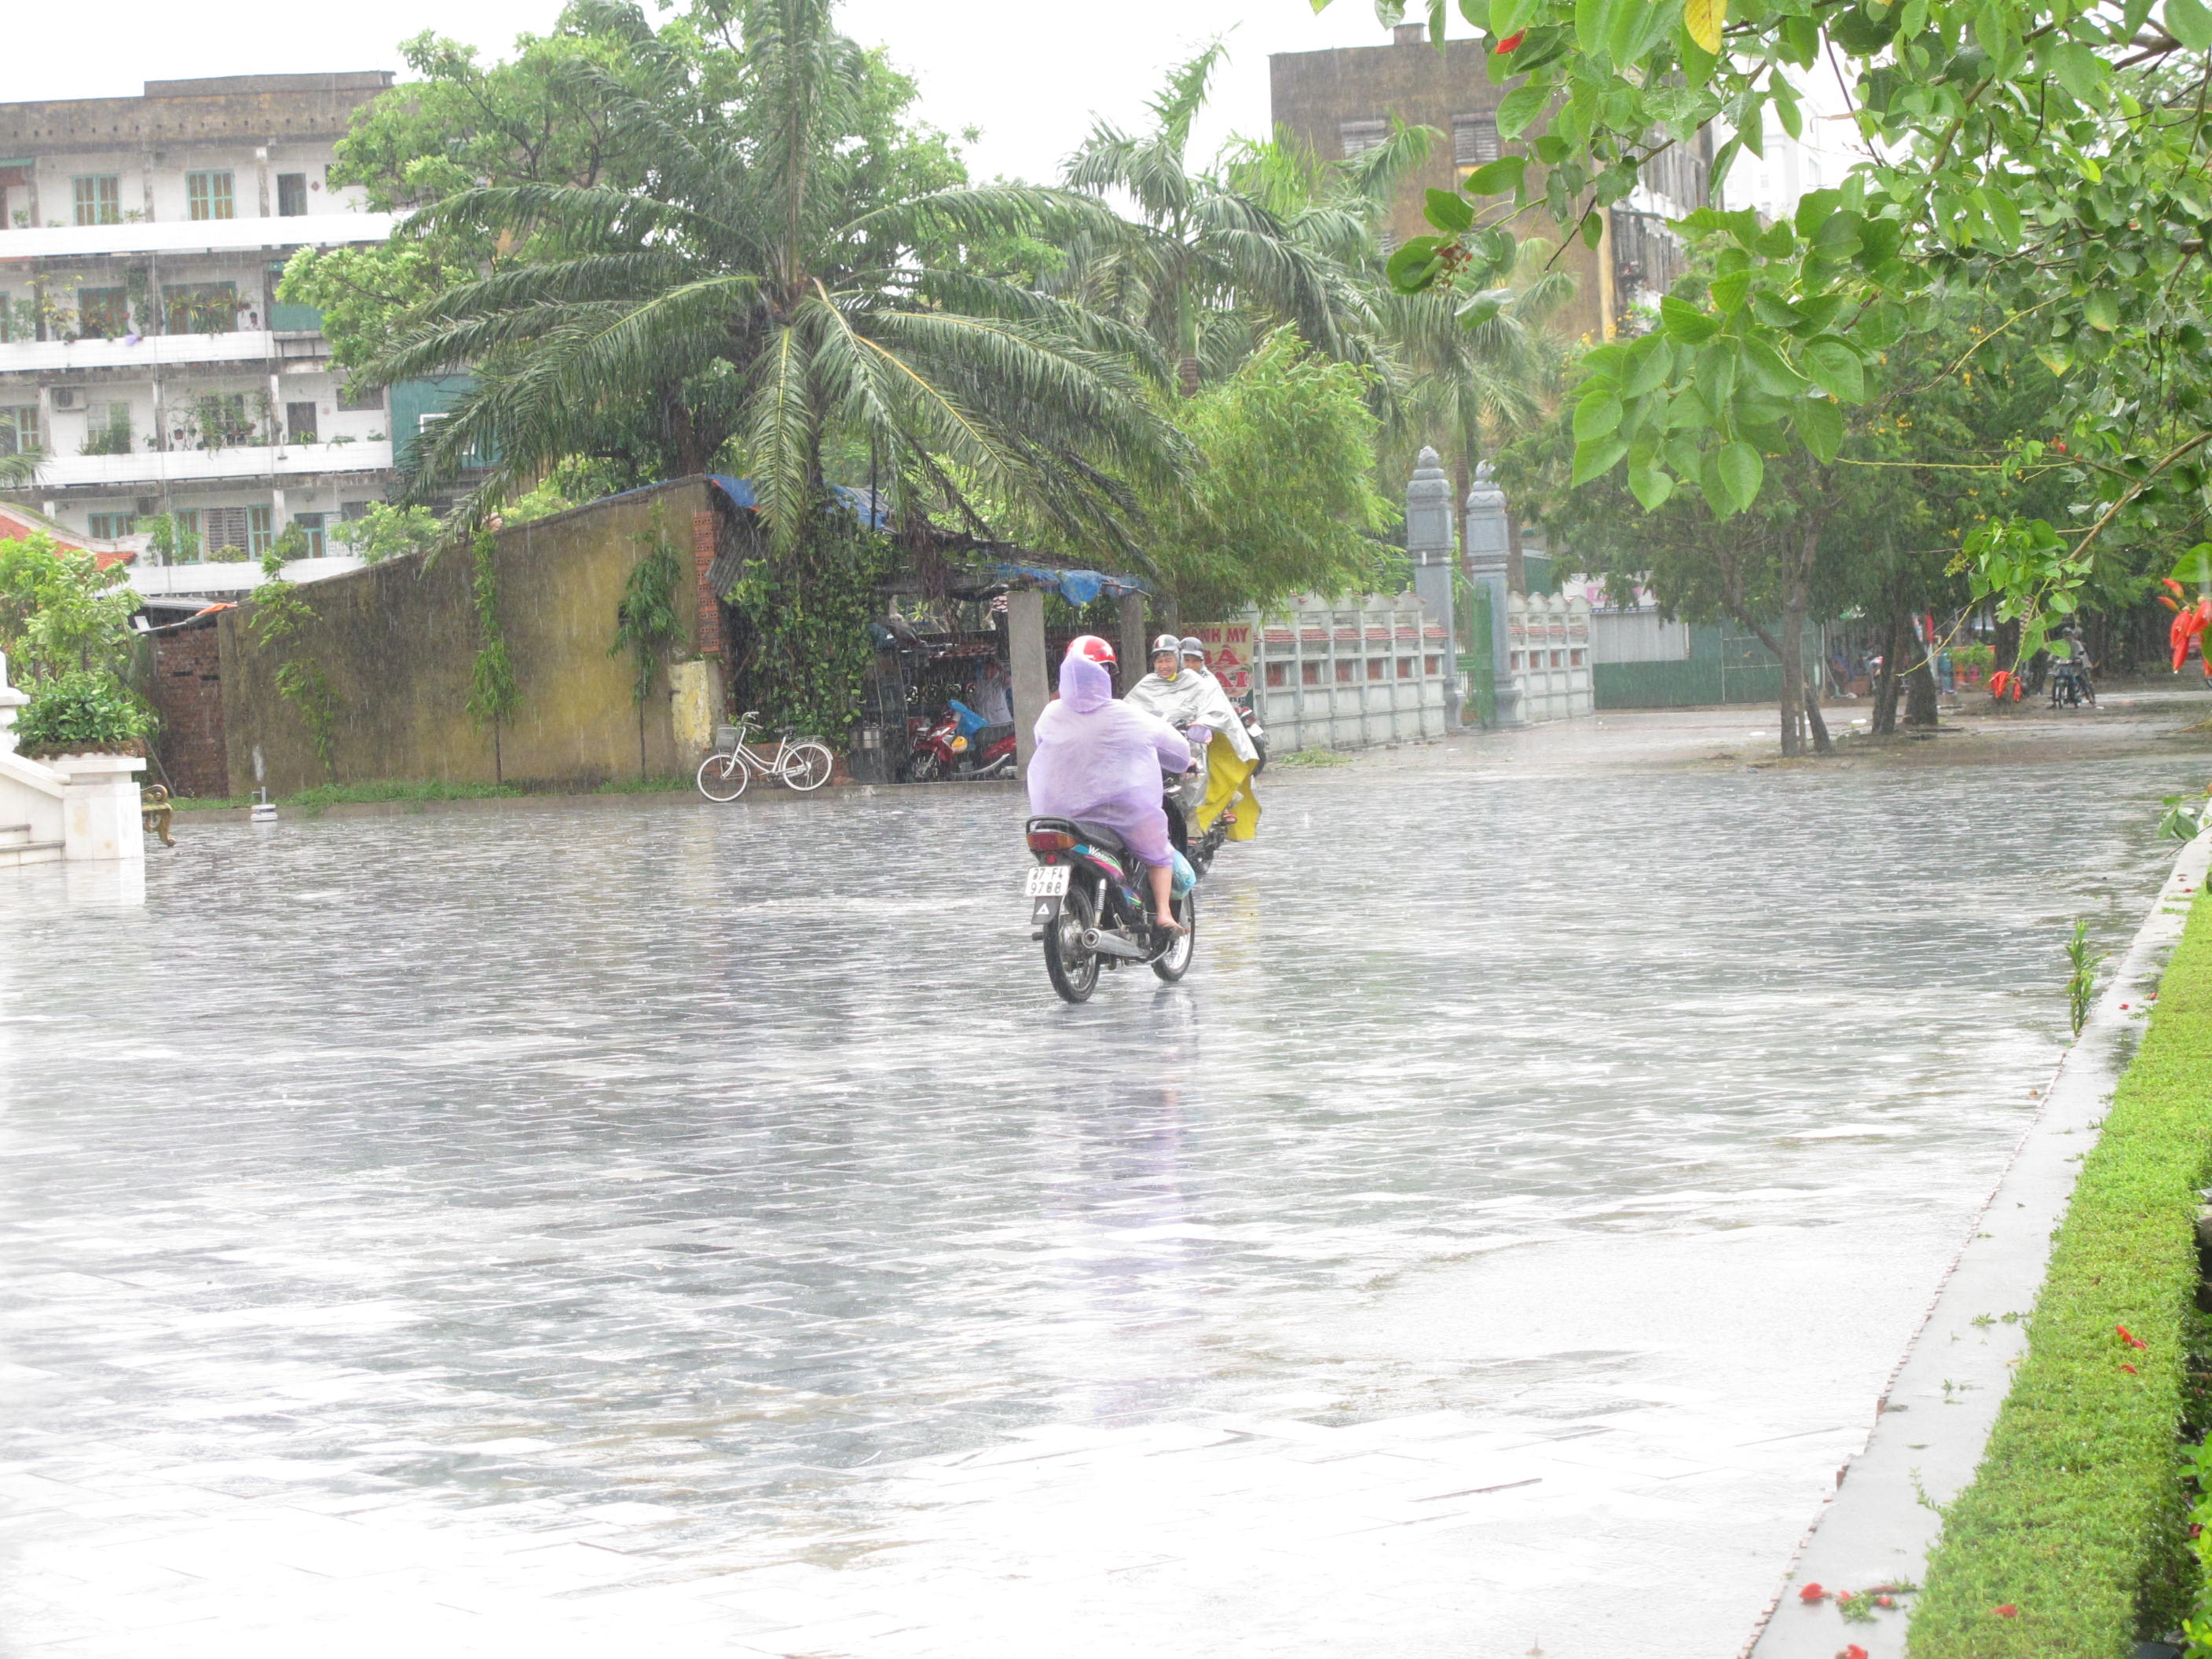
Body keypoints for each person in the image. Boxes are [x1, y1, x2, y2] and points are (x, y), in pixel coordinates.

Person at [1027, 649, 1195, 931]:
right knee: (1158, 852)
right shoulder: (1130, 715)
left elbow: (1043, 742)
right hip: (1120, 813)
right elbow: (1177, 752)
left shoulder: (1050, 713)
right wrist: (1187, 762)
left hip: (1056, 814)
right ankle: (1165, 914)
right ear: (1105, 676)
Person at [1126, 635, 1261, 841]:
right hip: (1156, 748)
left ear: (1178, 660)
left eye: (1168, 660)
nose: (1164, 665)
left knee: (1195, 785)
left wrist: (1201, 722)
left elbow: (1216, 710)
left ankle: (1194, 830)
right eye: (1159, 661)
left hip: (1190, 745)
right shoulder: (1147, 685)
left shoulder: (1196, 682)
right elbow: (1127, 712)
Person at [970, 657, 1014, 726]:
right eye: (985, 669)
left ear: (995, 669)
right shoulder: (980, 682)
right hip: (985, 721)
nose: (986, 671)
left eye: (988, 669)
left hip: (1001, 721)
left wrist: (1000, 668)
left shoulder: (1000, 681)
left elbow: (1008, 680)